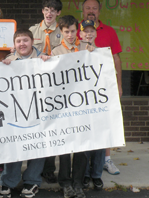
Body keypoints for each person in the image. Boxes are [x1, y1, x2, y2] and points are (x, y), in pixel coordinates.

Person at [77, 0, 123, 189]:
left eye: (94, 8)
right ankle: (84, 167)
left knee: (105, 124)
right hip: (81, 91)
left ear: (99, 11)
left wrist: (119, 84)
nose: (91, 11)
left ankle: (106, 159)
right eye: (87, 8)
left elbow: (116, 58)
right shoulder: (75, 31)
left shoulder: (109, 31)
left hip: (103, 88)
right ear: (82, 10)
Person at [0, 29, 50, 198]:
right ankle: (8, 182)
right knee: (14, 146)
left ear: (32, 42)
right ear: (14, 45)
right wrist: (3, 66)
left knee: (37, 146)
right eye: (19, 41)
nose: (22, 44)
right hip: (16, 112)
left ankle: (32, 181)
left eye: (25, 40)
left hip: (39, 111)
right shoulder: (7, 62)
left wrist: (49, 63)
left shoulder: (45, 60)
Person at [51, 16, 97, 198]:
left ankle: (78, 182)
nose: (70, 35)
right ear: (61, 32)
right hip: (63, 105)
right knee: (64, 146)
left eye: (72, 31)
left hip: (84, 104)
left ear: (78, 30)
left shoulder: (88, 48)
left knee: (82, 145)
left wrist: (95, 54)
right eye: (66, 32)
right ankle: (65, 182)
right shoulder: (56, 52)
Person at [29, 0, 62, 183]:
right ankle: (34, 167)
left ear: (58, 13)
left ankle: (49, 168)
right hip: (36, 85)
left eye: (53, 10)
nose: (49, 13)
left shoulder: (62, 31)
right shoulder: (33, 30)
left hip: (55, 86)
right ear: (42, 11)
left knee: (52, 126)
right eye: (46, 9)